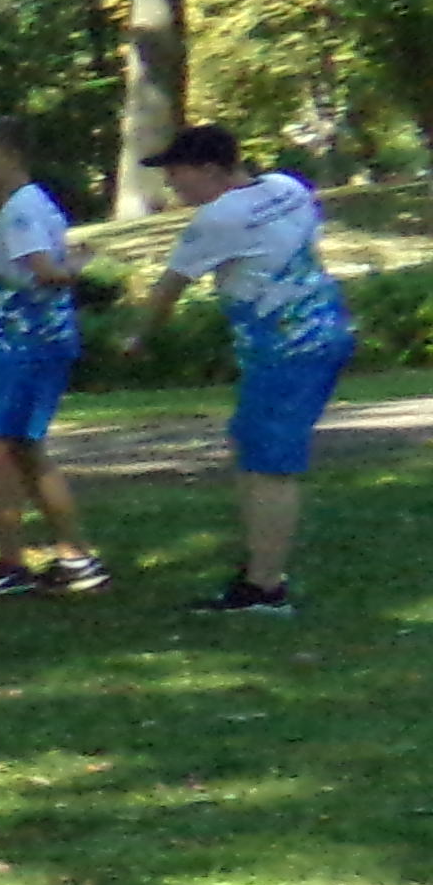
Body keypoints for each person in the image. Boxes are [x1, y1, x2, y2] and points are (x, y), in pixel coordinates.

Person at [124, 124, 354, 615]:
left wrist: (137, 337)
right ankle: (257, 572)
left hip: (285, 349)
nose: (171, 183)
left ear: (210, 170)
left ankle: (266, 589)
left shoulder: (218, 218)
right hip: (327, 329)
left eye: (176, 172)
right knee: (252, 446)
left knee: (271, 465)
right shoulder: (288, 186)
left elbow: (169, 287)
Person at [0, 120, 106, 596]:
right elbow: (19, 281)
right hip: (29, 341)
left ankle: (11, 564)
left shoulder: (21, 210)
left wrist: (76, 265)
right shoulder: (29, 205)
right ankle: (75, 558)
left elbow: (47, 274)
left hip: (28, 345)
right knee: (23, 447)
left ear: (13, 157)